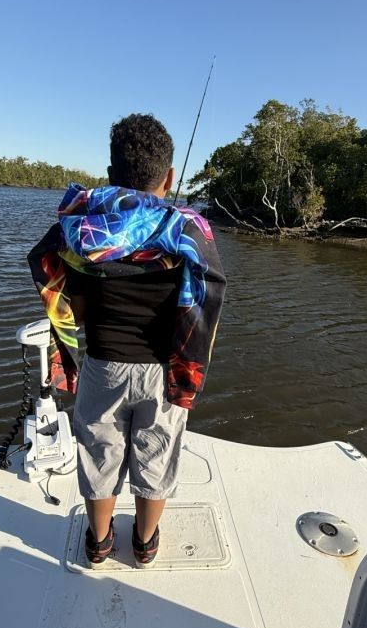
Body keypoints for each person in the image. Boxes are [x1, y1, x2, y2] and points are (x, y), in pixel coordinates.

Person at [27, 114, 226, 567]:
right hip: (163, 371)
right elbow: (205, 300)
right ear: (170, 176)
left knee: (99, 455)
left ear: (112, 173)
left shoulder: (77, 230)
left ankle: (98, 545)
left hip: (101, 365)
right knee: (156, 455)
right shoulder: (188, 232)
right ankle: (144, 543)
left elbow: (67, 293)